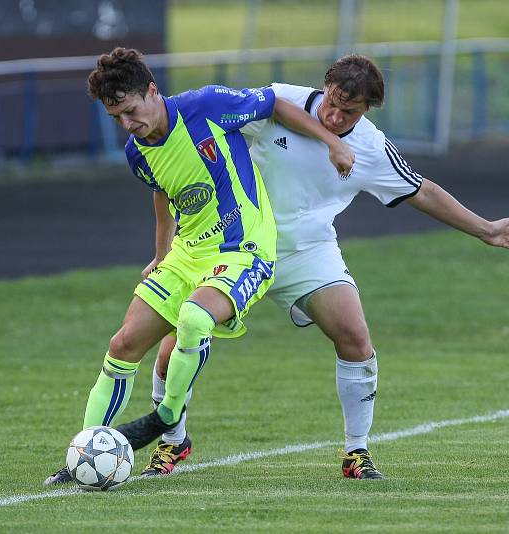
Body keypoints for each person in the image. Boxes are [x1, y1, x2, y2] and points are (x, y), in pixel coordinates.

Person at [123, 55, 509, 480]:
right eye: (333, 103)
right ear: (324, 85)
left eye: (349, 111)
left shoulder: (372, 149)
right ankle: (171, 443)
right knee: (176, 343)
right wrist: (167, 246)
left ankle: (357, 453)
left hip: (306, 251)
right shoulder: (278, 101)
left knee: (355, 337)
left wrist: (484, 229)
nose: (335, 116)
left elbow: (422, 192)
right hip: (234, 246)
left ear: (368, 110)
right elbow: (186, 147)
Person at [44, 47, 354, 485]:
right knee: (123, 345)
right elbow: (163, 192)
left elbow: (274, 104)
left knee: (193, 318)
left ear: (153, 91)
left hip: (243, 248)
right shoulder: (138, 152)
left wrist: (332, 142)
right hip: (188, 253)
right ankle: (81, 456)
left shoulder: (207, 106)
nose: (127, 125)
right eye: (116, 118)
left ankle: (167, 417)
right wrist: (160, 254)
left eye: (131, 111)